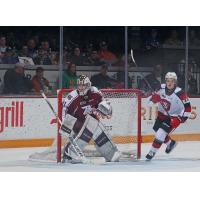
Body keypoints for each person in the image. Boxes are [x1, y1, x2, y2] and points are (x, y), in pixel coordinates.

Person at [61, 74, 120, 163]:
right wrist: (65, 124)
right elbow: (65, 110)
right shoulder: (72, 96)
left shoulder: (95, 92)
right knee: (89, 128)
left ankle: (110, 153)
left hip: (92, 121)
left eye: (83, 85)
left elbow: (104, 104)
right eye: (79, 85)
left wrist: (106, 107)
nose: (80, 87)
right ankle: (69, 152)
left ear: (88, 85)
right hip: (78, 122)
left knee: (97, 129)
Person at [146, 72, 191, 160]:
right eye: (168, 80)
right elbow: (149, 102)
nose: (169, 83)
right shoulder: (160, 88)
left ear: (175, 82)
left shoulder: (180, 93)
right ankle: (170, 143)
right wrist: (153, 99)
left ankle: (152, 152)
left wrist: (180, 119)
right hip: (161, 115)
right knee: (156, 129)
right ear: (165, 81)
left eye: (172, 81)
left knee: (160, 134)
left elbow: (188, 108)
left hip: (173, 118)